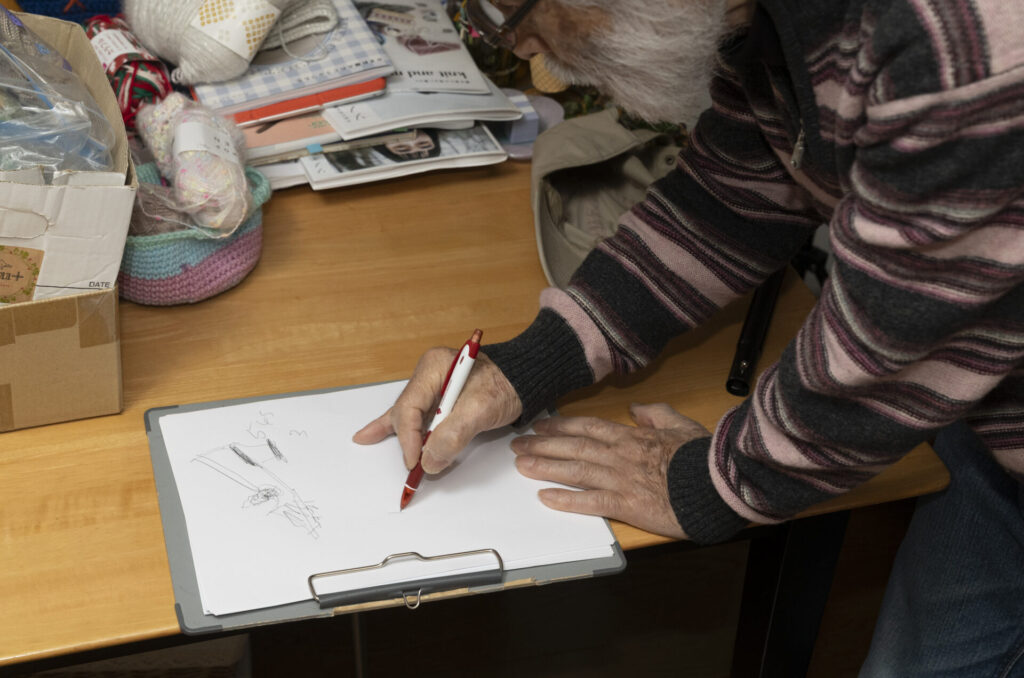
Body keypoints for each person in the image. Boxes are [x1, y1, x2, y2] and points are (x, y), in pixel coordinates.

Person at [354, 0, 1024, 674]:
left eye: (512, 8)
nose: (521, 45)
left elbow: (900, 342)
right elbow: (736, 198)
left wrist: (722, 480)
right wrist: (531, 363)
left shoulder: (960, 40)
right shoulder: (757, 19)